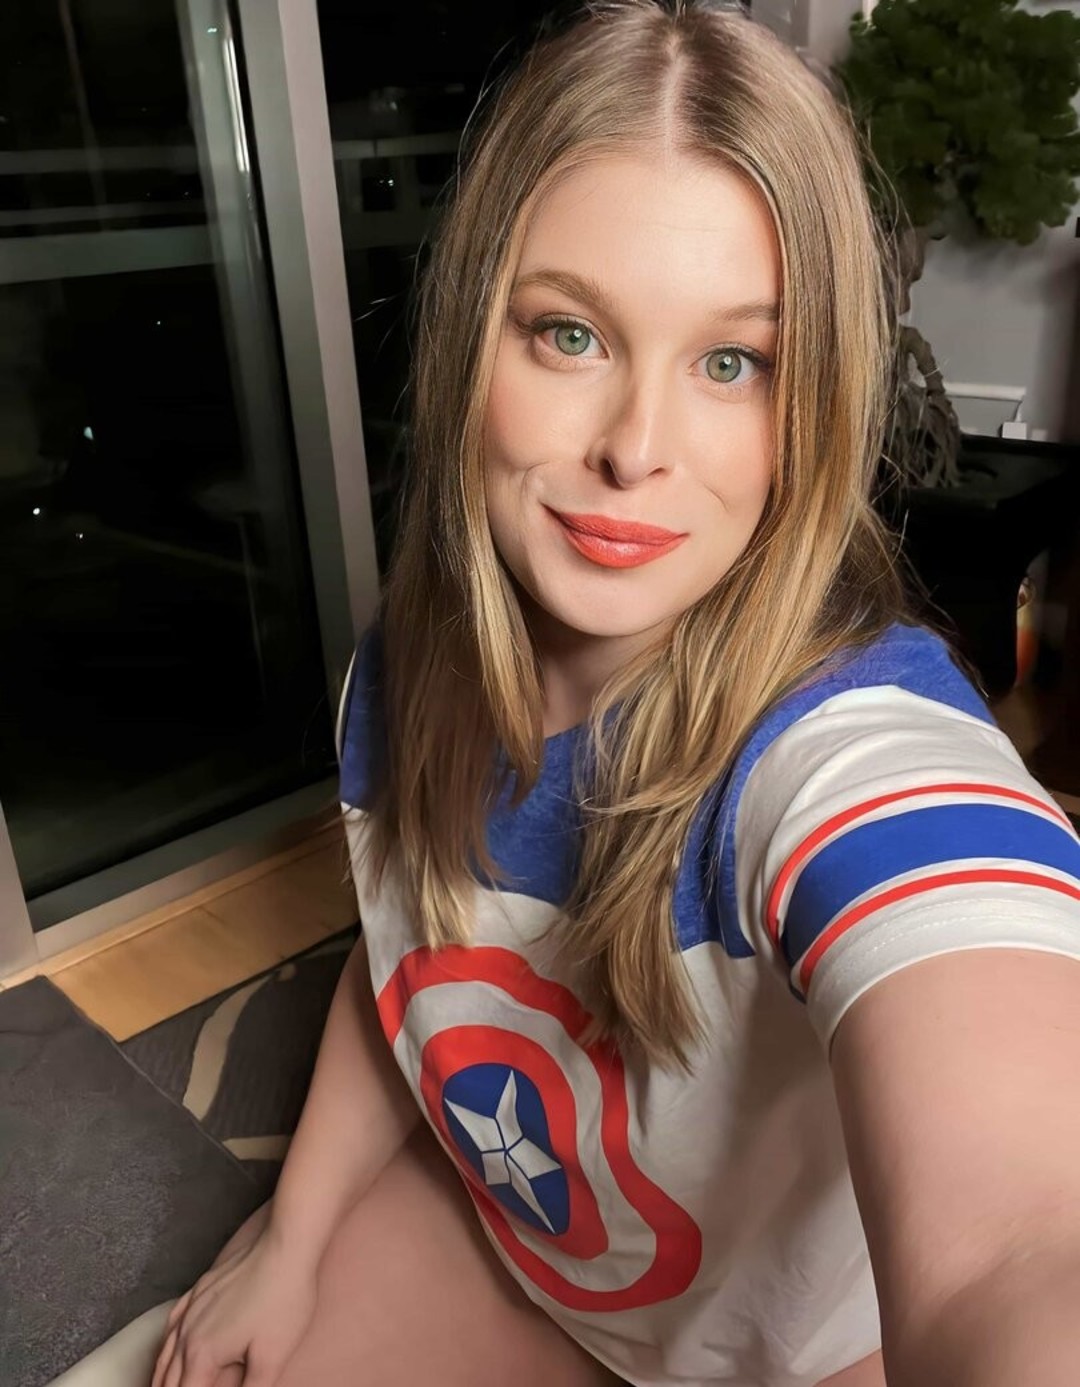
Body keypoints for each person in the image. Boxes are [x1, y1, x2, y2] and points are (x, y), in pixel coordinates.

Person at [151, 3, 1080, 1385]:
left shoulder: (846, 759)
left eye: (733, 363)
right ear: (472, 343)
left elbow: (1020, 1245)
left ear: (817, 400)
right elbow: (411, 962)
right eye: (570, 335)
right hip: (531, 1253)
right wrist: (293, 1233)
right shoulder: (405, 669)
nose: (637, 449)